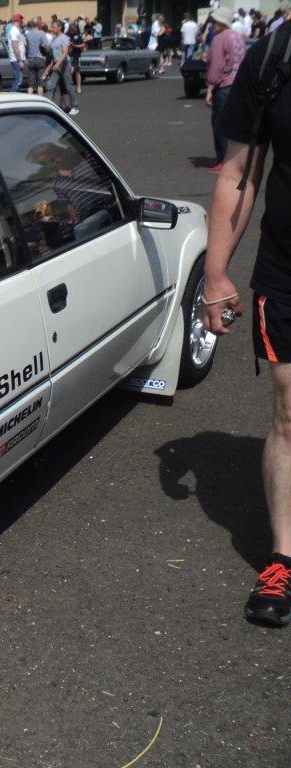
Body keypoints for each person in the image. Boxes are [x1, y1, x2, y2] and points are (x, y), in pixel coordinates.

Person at [205, 19, 291, 628]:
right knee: (289, 412)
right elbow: (240, 172)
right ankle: (284, 558)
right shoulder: (274, 57)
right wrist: (215, 274)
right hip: (287, 270)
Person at [204, 7, 246, 174]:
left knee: (220, 124)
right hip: (238, 84)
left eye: (214, 21)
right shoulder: (238, 37)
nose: (213, 24)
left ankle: (222, 160)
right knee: (234, 124)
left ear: (220, 22)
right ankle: (235, 160)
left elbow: (216, 67)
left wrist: (209, 89)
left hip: (224, 85)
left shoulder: (219, 39)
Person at [45, 20, 79, 115]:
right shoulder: (54, 39)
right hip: (56, 66)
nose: (52, 28)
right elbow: (54, 56)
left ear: (59, 27)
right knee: (50, 87)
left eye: (54, 27)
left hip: (64, 65)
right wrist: (49, 68)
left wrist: (58, 64)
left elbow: (65, 53)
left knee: (69, 87)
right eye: (52, 27)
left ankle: (75, 107)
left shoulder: (64, 38)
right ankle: (47, 108)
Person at [24, 20, 50, 95]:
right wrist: (46, 53)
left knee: (31, 84)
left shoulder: (27, 34)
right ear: (38, 25)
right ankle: (40, 99)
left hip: (30, 59)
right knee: (40, 83)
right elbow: (47, 46)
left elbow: (25, 46)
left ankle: (29, 99)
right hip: (40, 58)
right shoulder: (41, 33)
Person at [7, 13, 27, 93]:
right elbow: (15, 46)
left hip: (17, 59)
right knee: (18, 79)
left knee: (18, 78)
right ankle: (12, 94)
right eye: (21, 20)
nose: (22, 22)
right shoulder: (14, 31)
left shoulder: (16, 31)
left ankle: (13, 93)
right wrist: (20, 60)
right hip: (16, 59)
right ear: (19, 20)